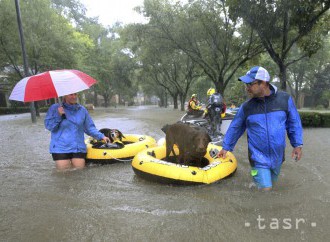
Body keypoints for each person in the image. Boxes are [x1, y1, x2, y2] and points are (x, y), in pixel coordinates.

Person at [217, 66, 303, 191]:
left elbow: (293, 122)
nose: (247, 88)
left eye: (250, 84)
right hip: (257, 157)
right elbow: (236, 127)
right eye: (246, 84)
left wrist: (297, 145)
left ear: (263, 83)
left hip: (277, 157)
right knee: (266, 190)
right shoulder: (246, 107)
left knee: (272, 187)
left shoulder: (284, 100)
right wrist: (226, 147)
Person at [44, 93, 110, 170]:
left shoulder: (82, 110)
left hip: (78, 147)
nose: (74, 97)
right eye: (71, 95)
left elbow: (89, 128)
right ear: (65, 95)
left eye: (75, 94)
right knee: (63, 174)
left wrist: (101, 136)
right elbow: (49, 127)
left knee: (79, 173)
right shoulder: (55, 108)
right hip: (60, 148)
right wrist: (58, 115)